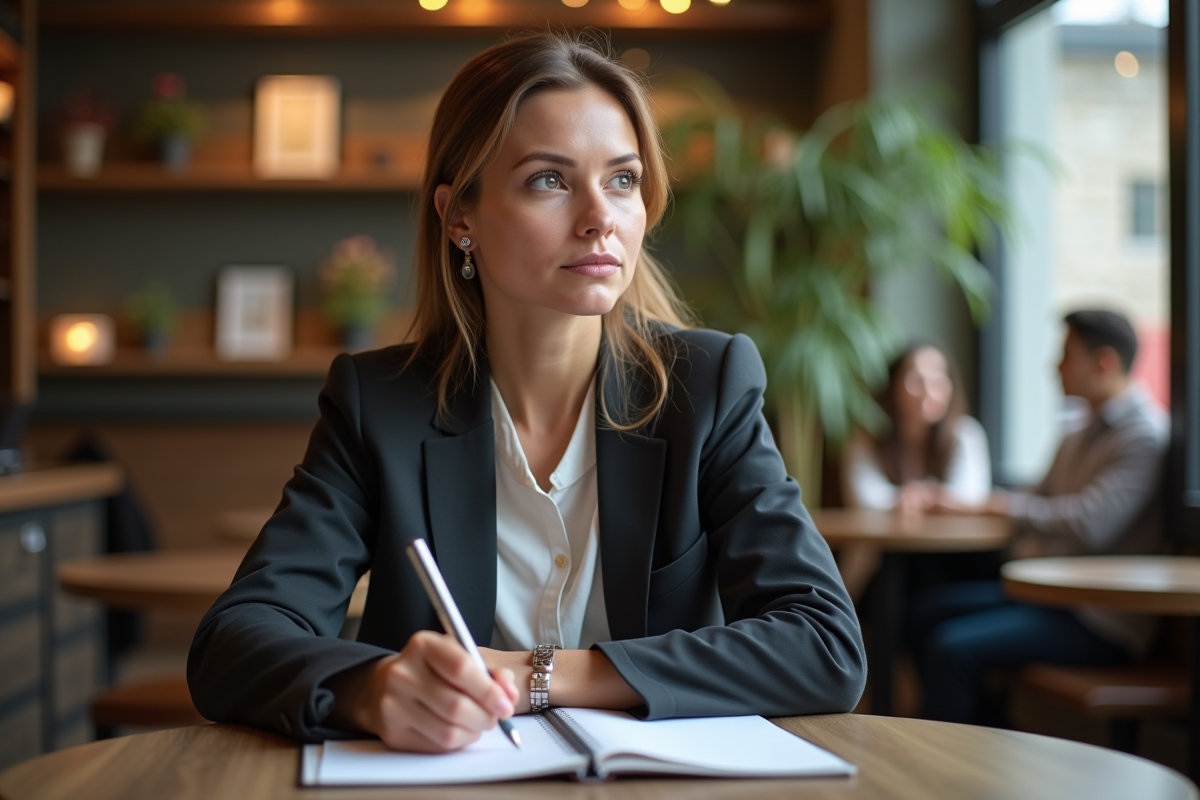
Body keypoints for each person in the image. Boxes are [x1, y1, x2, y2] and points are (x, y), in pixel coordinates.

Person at [187, 31, 865, 754]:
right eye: (550, 179)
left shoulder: (708, 386)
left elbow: (824, 644)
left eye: (623, 180)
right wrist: (375, 689)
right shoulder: (378, 404)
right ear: (460, 219)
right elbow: (234, 642)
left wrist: (536, 676)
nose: (600, 216)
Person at [913, 309, 1168, 724]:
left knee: (951, 646)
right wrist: (967, 504)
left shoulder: (1144, 436)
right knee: (924, 613)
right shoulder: (1077, 430)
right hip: (1051, 599)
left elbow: (1091, 524)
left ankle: (948, 769)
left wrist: (1002, 507)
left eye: (1066, 354)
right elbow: (1034, 496)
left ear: (1103, 362)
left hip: (1100, 620)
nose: (1055, 366)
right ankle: (985, 735)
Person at [837, 343, 992, 599]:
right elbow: (865, 500)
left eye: (938, 378)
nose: (929, 389)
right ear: (893, 387)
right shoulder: (866, 440)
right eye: (916, 379)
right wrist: (933, 499)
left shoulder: (965, 434)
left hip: (951, 562)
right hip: (876, 569)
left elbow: (971, 497)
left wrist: (918, 497)